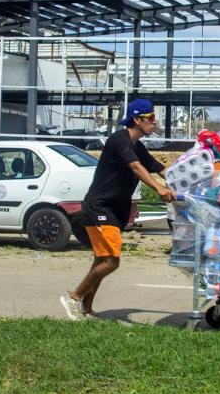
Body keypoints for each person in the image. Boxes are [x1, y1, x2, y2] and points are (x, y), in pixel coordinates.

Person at [60, 99, 176, 320]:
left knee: (101, 261)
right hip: (100, 208)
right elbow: (136, 167)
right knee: (111, 261)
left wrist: (188, 183)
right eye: (150, 117)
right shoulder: (119, 141)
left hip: (114, 210)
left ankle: (86, 307)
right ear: (136, 119)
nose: (155, 122)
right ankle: (73, 297)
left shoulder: (137, 146)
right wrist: (159, 188)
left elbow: (161, 169)